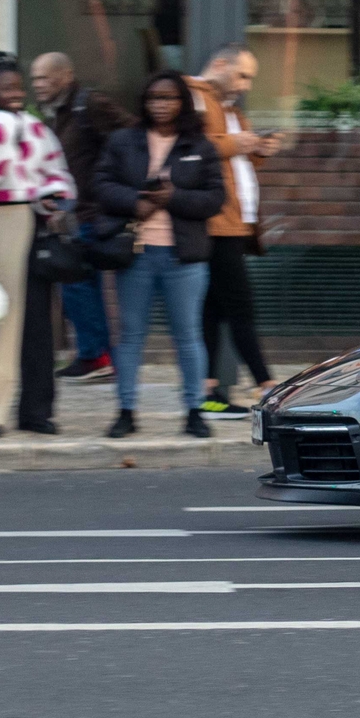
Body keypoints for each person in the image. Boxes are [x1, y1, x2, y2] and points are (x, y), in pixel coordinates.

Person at [96, 70, 225, 440]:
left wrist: (175, 199)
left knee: (187, 334)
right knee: (131, 334)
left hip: (183, 258)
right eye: (154, 98)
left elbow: (216, 199)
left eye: (169, 98)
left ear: (182, 102)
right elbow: (102, 184)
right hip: (135, 253)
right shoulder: (124, 141)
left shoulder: (199, 146)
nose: (161, 104)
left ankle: (194, 410)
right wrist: (135, 202)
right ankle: (126, 410)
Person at [0, 52, 75, 437]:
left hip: (30, 221)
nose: (16, 93)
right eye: (5, 87)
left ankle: (36, 410)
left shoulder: (32, 127)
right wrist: (1, 131)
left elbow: (56, 173)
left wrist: (51, 196)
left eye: (18, 86)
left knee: (37, 322)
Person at [187, 43, 284, 413]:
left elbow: (234, 170)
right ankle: (267, 386)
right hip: (214, 223)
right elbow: (189, 150)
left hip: (234, 224)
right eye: (242, 75)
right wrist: (235, 144)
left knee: (213, 308)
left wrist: (257, 149)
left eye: (250, 79)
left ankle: (209, 392)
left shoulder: (232, 112)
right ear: (220, 64)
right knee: (241, 306)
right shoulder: (193, 96)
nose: (245, 85)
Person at [32, 51, 129, 384]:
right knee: (77, 286)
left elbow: (131, 136)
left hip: (91, 212)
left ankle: (97, 356)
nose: (37, 85)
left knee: (78, 285)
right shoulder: (56, 113)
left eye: (43, 77)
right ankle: (93, 354)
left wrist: (107, 183)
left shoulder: (90, 105)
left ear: (65, 75)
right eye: (34, 79)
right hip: (71, 213)